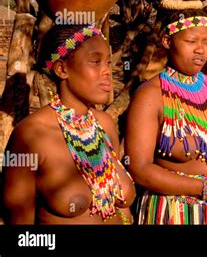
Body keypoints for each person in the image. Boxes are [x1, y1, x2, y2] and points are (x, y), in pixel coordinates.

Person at [125, 9, 207, 225]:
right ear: (167, 41)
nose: (201, 50)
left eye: (206, 41)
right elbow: (139, 168)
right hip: (174, 211)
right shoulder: (150, 94)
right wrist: (204, 189)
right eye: (191, 41)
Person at [3, 24, 136, 224]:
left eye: (108, 62)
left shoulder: (105, 125)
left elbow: (122, 211)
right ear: (62, 69)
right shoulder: (31, 136)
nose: (107, 71)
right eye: (95, 62)